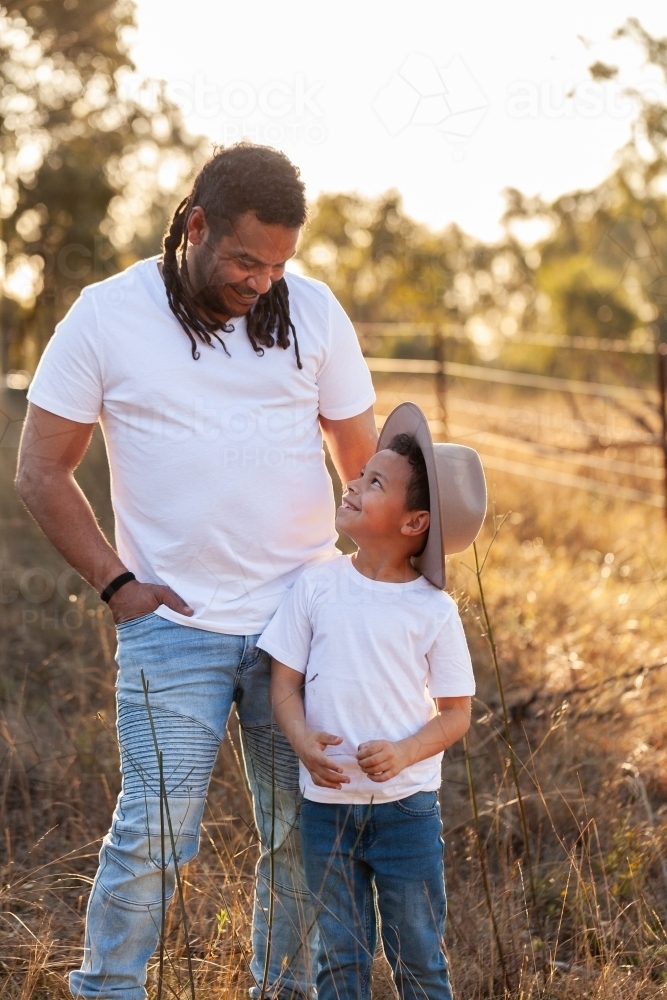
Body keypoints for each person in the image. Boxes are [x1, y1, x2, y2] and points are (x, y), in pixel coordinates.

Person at [15, 142, 378, 1000]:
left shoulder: (313, 312)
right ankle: (108, 990)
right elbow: (40, 471)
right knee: (155, 833)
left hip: (303, 627)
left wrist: (372, 593)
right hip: (171, 631)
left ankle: (280, 992)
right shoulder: (106, 316)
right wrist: (118, 587)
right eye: (246, 260)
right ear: (196, 225)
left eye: (279, 264)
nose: (261, 282)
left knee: (300, 831)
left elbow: (362, 462)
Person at [262, 402, 487, 1000]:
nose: (355, 482)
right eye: (360, 475)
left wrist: (408, 750)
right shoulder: (316, 584)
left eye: (375, 482)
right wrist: (302, 738)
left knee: (416, 953)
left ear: (414, 523)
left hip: (406, 811)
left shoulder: (433, 610)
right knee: (338, 955)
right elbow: (283, 684)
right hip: (327, 806)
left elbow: (457, 713)